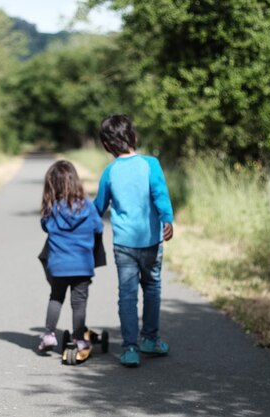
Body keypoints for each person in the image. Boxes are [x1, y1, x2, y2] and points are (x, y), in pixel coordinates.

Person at [93, 114, 174, 368]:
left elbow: (99, 206)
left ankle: (130, 347)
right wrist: (167, 219)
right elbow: (160, 194)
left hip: (123, 245)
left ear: (107, 145)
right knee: (152, 288)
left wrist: (86, 225)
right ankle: (150, 338)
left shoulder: (110, 171)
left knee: (127, 295)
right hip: (150, 240)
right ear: (134, 137)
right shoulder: (151, 164)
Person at [38, 161, 104, 354]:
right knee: (79, 303)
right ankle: (78, 339)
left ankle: (49, 334)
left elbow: (44, 227)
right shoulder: (89, 207)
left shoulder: (51, 210)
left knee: (56, 298)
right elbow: (98, 228)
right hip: (82, 266)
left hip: (58, 266)